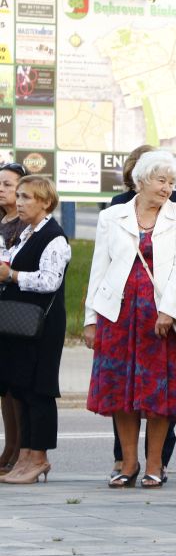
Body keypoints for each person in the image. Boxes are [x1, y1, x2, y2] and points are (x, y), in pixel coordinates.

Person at [84, 151, 176, 489]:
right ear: (142, 179)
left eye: (172, 182)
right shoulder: (112, 216)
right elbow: (99, 268)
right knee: (121, 391)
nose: (167, 188)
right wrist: (91, 318)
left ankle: (156, 464)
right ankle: (129, 462)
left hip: (158, 316)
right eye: (162, 180)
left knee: (158, 392)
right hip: (116, 314)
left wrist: (170, 310)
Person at [0, 176, 71, 484]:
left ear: (45, 202)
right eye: (18, 196)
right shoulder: (27, 233)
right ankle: (25, 455)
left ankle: (39, 457)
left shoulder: (54, 236)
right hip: (20, 325)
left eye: (26, 197)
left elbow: (50, 280)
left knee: (39, 389)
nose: (19, 202)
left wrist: (12, 275)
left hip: (42, 326)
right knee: (21, 387)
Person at [0, 162, 30, 475]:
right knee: (4, 387)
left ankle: (20, 450)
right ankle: (9, 447)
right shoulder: (2, 221)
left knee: (17, 385)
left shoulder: (25, 226)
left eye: (8, 185)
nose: (2, 190)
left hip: (18, 312)